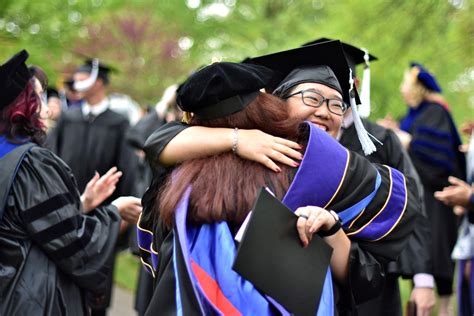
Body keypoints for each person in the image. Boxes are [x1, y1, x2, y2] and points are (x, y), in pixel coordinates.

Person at [139, 42, 419, 314]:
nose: (324, 111)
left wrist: (332, 230)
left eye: (337, 104)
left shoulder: (346, 172)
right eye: (311, 98)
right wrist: (238, 139)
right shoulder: (232, 152)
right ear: (278, 102)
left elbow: (367, 278)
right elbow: (159, 142)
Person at [0, 50, 141, 315]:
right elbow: (74, 243)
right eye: (38, 97)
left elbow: (28, 216)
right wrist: (114, 211)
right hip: (28, 295)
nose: (46, 107)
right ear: (23, 107)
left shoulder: (8, 153)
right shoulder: (33, 164)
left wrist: (81, 203)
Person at [304, 38, 436, 316]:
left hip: (370, 279)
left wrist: (422, 277)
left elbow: (413, 204)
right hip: (305, 276)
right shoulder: (294, 138)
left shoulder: (381, 140)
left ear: (355, 86)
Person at [46, 58, 140, 315]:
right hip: (65, 213)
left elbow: (128, 172)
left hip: (103, 217)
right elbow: (49, 161)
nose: (76, 79)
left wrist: (120, 220)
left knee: (95, 292)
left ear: (98, 81)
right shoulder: (69, 118)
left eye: (82, 74)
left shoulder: (118, 123)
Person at [378, 62, 466, 316]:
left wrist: (407, 142)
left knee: (437, 253)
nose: (402, 89)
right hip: (417, 194)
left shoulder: (435, 112)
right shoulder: (412, 114)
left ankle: (447, 310)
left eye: (406, 84)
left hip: (436, 196)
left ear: (417, 87)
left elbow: (439, 158)